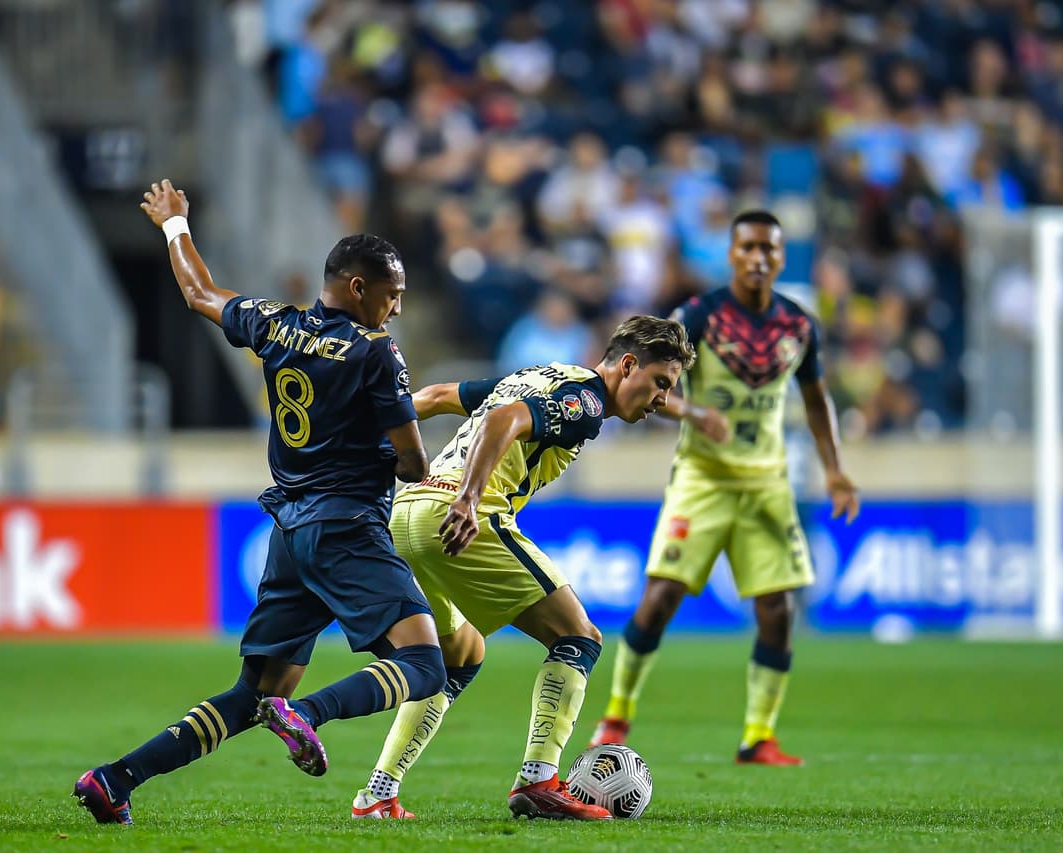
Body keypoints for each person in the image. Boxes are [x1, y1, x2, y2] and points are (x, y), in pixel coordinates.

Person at [74, 180, 446, 825]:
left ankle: (115, 779)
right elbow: (413, 462)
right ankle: (309, 714)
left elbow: (198, 292)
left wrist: (174, 225)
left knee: (253, 694)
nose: (397, 308)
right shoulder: (377, 352)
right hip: (348, 526)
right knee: (423, 664)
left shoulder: (277, 324)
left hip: (290, 532)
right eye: (392, 294)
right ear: (357, 287)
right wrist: (419, 462)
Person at [352, 316, 695, 821]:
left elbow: (438, 395)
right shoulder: (587, 403)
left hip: (409, 512)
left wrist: (362, 440)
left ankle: (378, 794)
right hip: (463, 517)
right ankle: (539, 780)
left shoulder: (540, 374)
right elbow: (500, 421)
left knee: (457, 656)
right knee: (579, 637)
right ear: (627, 365)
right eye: (661, 383)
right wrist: (469, 499)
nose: (663, 400)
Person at [590, 209, 860, 765]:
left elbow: (815, 398)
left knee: (779, 610)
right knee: (661, 597)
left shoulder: (799, 326)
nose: (759, 258)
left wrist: (834, 468)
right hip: (703, 478)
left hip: (767, 482)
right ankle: (616, 715)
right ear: (732, 254)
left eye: (770, 249)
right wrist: (693, 411)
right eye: (749, 248)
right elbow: (647, 386)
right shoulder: (699, 315)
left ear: (782, 258)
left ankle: (758, 735)